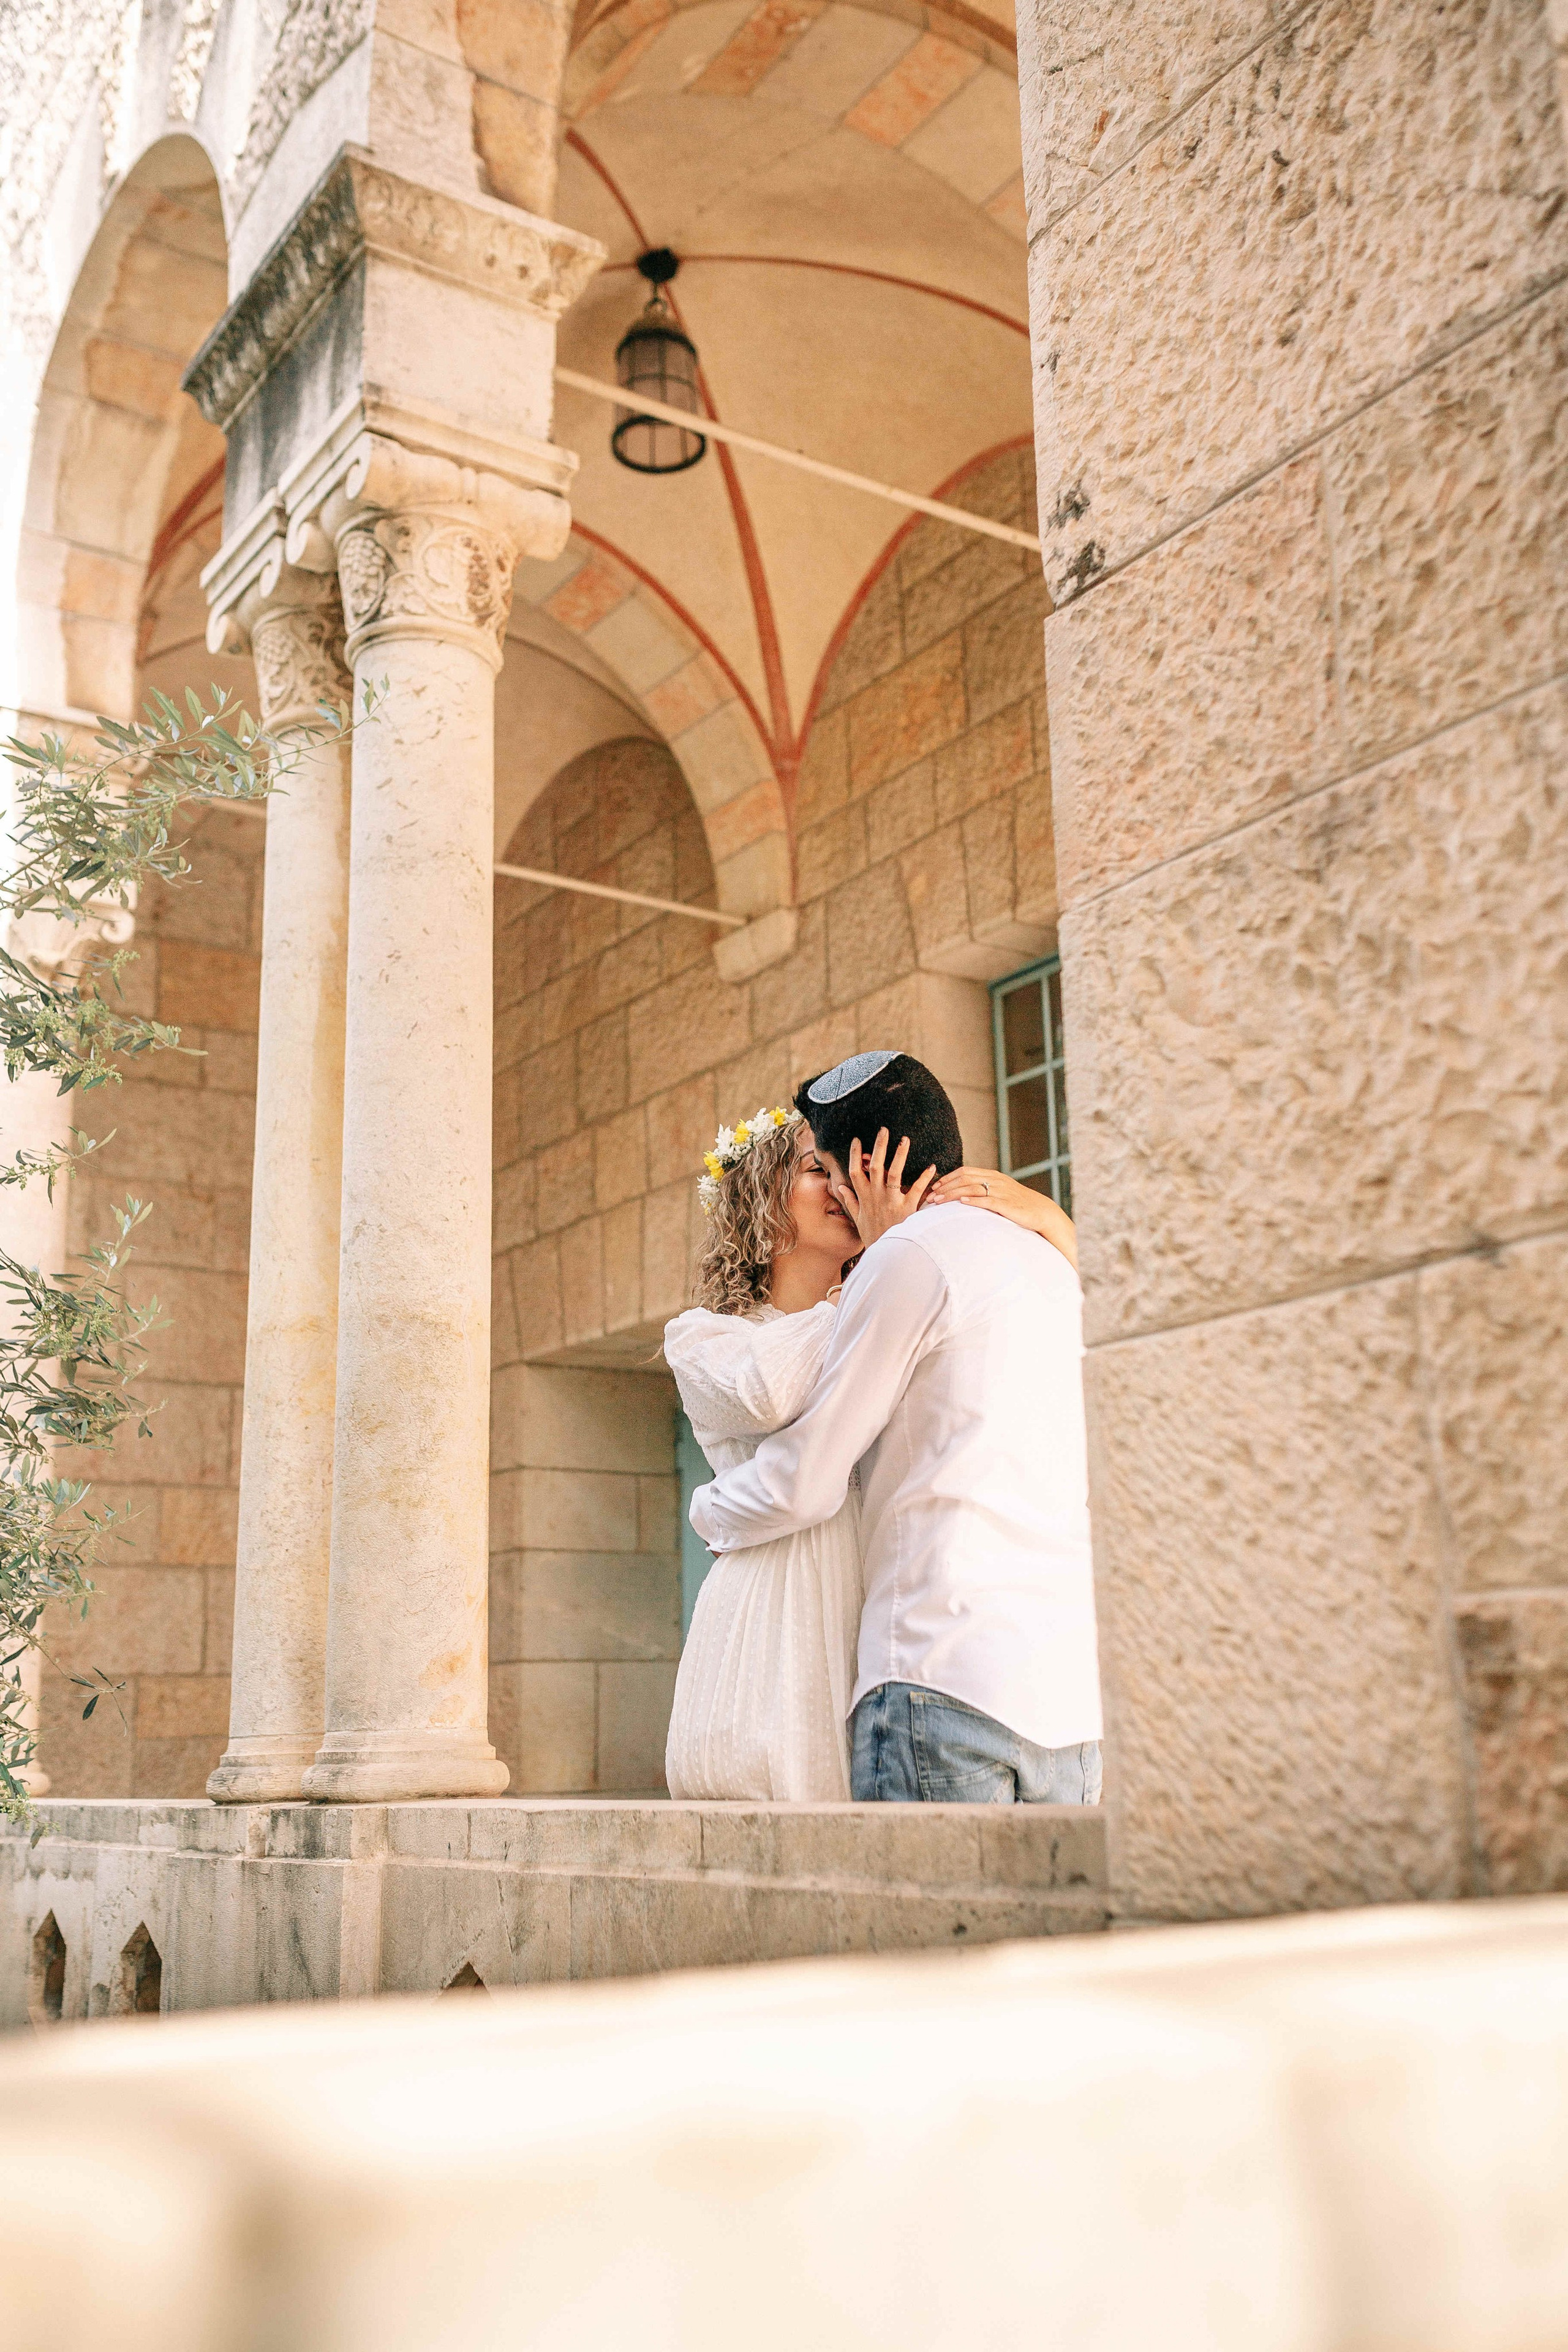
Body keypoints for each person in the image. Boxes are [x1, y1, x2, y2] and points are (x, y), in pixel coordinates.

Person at [688, 1050, 1102, 1806]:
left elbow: (806, 1483)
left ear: (865, 1168)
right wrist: (1054, 1221)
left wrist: (707, 1510)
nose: (831, 1190)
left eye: (824, 1166)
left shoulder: (905, 1259)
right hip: (1068, 1697)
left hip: (941, 1668)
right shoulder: (1047, 1262)